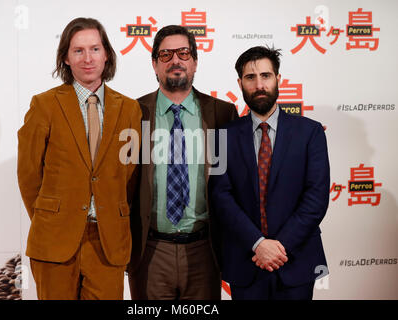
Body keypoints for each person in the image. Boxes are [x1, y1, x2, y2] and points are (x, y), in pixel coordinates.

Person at [17, 17, 141, 300]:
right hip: (55, 241)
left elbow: (130, 174)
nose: (88, 58)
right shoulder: (44, 105)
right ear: (66, 58)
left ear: (106, 54)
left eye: (95, 49)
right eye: (78, 50)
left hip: (108, 242)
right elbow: (28, 173)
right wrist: (50, 217)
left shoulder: (130, 109)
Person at [209, 46, 330, 300]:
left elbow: (316, 198)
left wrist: (278, 247)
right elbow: (221, 196)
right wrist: (258, 244)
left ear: (278, 80)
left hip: (296, 261)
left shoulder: (310, 133)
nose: (259, 84)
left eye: (266, 75)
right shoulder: (222, 136)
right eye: (251, 78)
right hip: (246, 261)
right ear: (240, 83)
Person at [127, 25, 238, 300]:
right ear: (154, 64)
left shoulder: (222, 114)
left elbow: (235, 182)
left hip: (204, 250)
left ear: (195, 62)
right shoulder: (133, 113)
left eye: (184, 53)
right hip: (150, 251)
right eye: (165, 55)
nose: (175, 60)